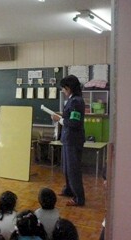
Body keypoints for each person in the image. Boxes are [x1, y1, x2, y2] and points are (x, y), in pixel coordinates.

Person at [51, 75, 86, 207]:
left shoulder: (76, 101)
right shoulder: (72, 100)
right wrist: (61, 114)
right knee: (66, 168)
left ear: (69, 88)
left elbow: (73, 122)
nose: (63, 92)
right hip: (68, 139)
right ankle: (69, 189)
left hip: (73, 140)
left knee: (73, 170)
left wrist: (58, 119)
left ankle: (79, 198)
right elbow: (69, 116)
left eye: (64, 89)